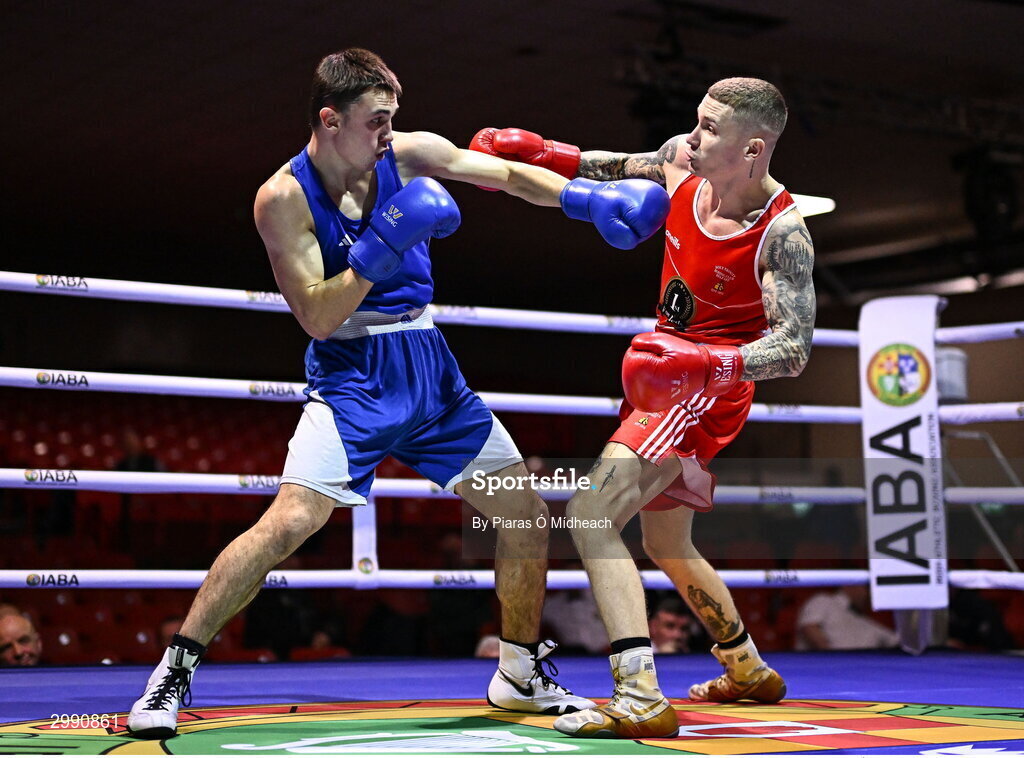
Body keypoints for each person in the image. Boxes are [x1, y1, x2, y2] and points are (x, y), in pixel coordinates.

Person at [126, 48, 670, 739]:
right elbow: (318, 317)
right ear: (330, 119)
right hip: (353, 372)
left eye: (392, 118)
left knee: (527, 517)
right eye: (376, 120)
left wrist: (583, 201)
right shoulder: (284, 198)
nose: (389, 133)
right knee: (290, 523)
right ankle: (174, 668)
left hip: (430, 367)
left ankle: (518, 671)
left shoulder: (407, 154)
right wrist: (378, 248)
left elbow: (501, 173)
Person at [471, 76, 815, 738]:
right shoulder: (682, 162)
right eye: (697, 119)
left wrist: (715, 362)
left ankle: (640, 695)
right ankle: (745, 667)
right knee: (665, 540)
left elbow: (794, 349)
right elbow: (610, 167)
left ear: (752, 149)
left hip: (706, 389)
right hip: (669, 374)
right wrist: (538, 152)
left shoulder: (781, 232)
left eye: (711, 127)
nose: (693, 134)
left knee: (591, 510)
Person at [797, 586, 899, 650]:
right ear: (850, 585)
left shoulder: (869, 624)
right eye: (865, 588)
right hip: (821, 668)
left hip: (859, 674)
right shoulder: (824, 601)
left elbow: (898, 642)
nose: (867, 594)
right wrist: (831, 658)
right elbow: (809, 627)